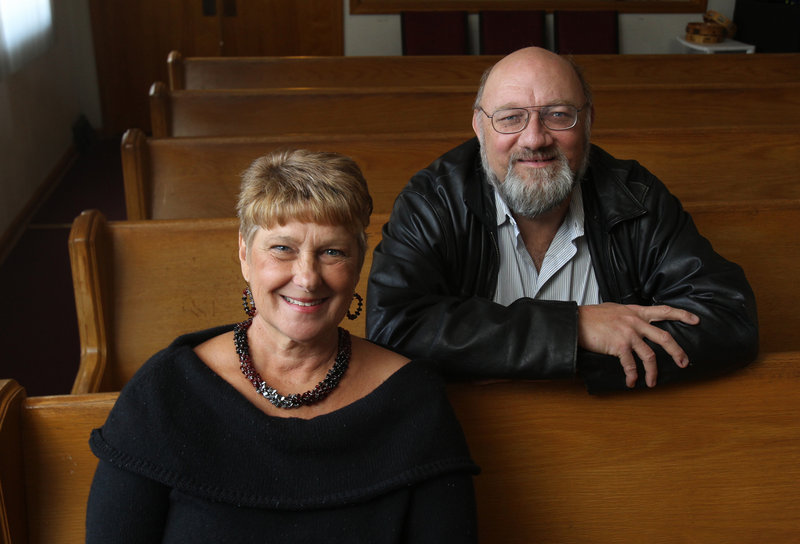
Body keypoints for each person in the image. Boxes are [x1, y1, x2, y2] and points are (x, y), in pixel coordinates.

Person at [86, 150, 479, 542]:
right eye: (282, 248)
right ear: (244, 253)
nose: (307, 278)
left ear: (358, 263)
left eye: (332, 252)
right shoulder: (166, 390)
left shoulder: (413, 401)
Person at [366, 47, 758, 394]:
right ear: (479, 126)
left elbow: (728, 317)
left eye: (558, 115)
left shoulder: (636, 196)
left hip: (621, 436)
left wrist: (564, 363)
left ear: (587, 122)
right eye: (510, 117)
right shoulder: (433, 200)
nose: (535, 138)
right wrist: (578, 328)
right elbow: (394, 330)